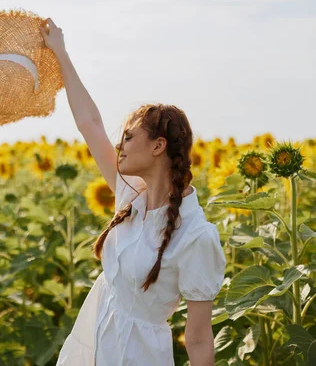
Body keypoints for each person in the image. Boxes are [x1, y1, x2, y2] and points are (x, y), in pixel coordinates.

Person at [39, 18, 227, 366]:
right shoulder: (130, 197)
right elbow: (89, 123)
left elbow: (199, 338)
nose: (118, 145)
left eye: (128, 137)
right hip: (94, 339)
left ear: (158, 146)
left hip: (138, 355)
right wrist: (61, 54)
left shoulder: (196, 234)